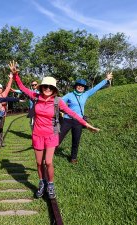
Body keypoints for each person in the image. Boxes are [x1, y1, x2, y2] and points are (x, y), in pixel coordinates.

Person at [9, 60, 100, 199]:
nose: (47, 89)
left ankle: (50, 184)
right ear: (41, 87)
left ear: (54, 89)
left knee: (48, 162)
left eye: (50, 87)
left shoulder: (58, 101)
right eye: (45, 86)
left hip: (51, 135)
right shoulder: (36, 97)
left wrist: (87, 125)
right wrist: (15, 75)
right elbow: (22, 87)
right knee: (39, 163)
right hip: (37, 134)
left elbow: (73, 113)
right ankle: (42, 183)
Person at [59, 73, 113, 164]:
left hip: (79, 121)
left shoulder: (86, 94)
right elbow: (60, 101)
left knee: (76, 140)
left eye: (82, 86)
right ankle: (49, 154)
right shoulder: (69, 95)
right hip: (67, 120)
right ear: (76, 86)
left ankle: (73, 158)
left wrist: (106, 79)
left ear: (84, 87)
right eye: (79, 85)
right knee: (58, 138)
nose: (80, 87)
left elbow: (96, 88)